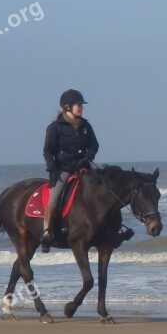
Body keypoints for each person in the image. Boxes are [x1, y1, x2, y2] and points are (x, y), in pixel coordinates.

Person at [41, 89, 99, 252]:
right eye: (78, 105)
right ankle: (46, 233)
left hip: (83, 168)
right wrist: (52, 167)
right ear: (67, 107)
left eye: (81, 105)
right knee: (54, 199)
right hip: (63, 170)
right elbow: (47, 151)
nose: (81, 108)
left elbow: (94, 145)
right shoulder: (55, 128)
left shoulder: (86, 125)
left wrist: (89, 156)